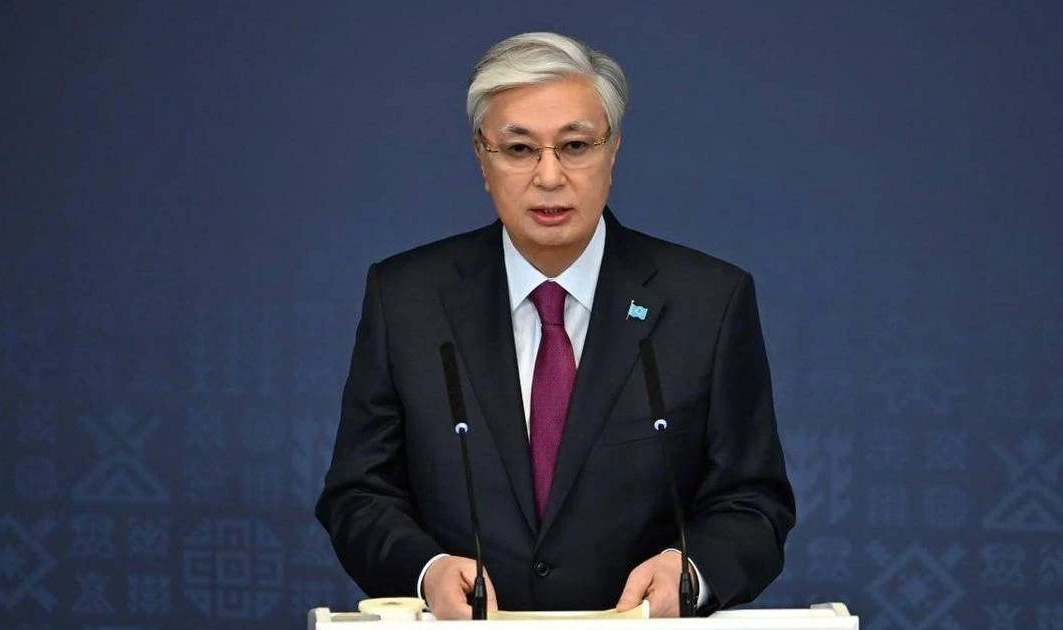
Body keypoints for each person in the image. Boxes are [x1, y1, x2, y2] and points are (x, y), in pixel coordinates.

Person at [316, 31, 795, 619]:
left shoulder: (708, 302)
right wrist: (426, 570)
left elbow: (753, 504)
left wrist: (690, 571)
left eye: (574, 146)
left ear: (613, 151)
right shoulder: (407, 298)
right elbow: (359, 495)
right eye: (519, 149)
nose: (549, 176)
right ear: (482, 158)